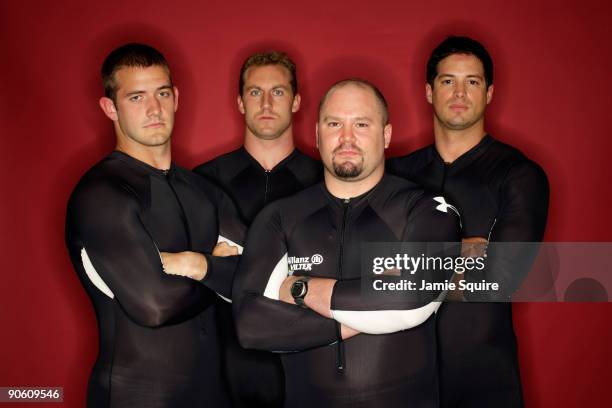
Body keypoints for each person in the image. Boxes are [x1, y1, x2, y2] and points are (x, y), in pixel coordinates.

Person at [232, 79, 461, 407]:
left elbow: (412, 299)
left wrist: (301, 290)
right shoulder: (280, 216)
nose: (347, 138)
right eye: (334, 124)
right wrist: (369, 312)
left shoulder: (427, 210)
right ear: (316, 135)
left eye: (362, 124)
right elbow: (250, 326)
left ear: (386, 135)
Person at [65, 43, 244, 408]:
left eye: (162, 93)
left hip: (214, 395)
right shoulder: (102, 195)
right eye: (136, 97)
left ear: (176, 97)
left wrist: (194, 264)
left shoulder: (202, 190)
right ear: (110, 108)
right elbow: (154, 305)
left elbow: (261, 276)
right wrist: (218, 270)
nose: (154, 109)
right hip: (137, 395)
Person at [387, 36, 549, 407]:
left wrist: (403, 261)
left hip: (483, 380)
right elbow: (362, 263)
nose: (459, 93)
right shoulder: (396, 173)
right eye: (448, 81)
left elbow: (500, 279)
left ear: (489, 93)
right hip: (397, 379)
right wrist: (468, 251)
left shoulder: (519, 175)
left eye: (472, 82)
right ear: (429, 91)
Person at [193, 51, 321, 407]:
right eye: (255, 92)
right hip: (221, 372)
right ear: (239, 102)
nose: (266, 102)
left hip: (307, 368)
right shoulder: (202, 182)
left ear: (296, 101)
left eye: (278, 92)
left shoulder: (326, 184)